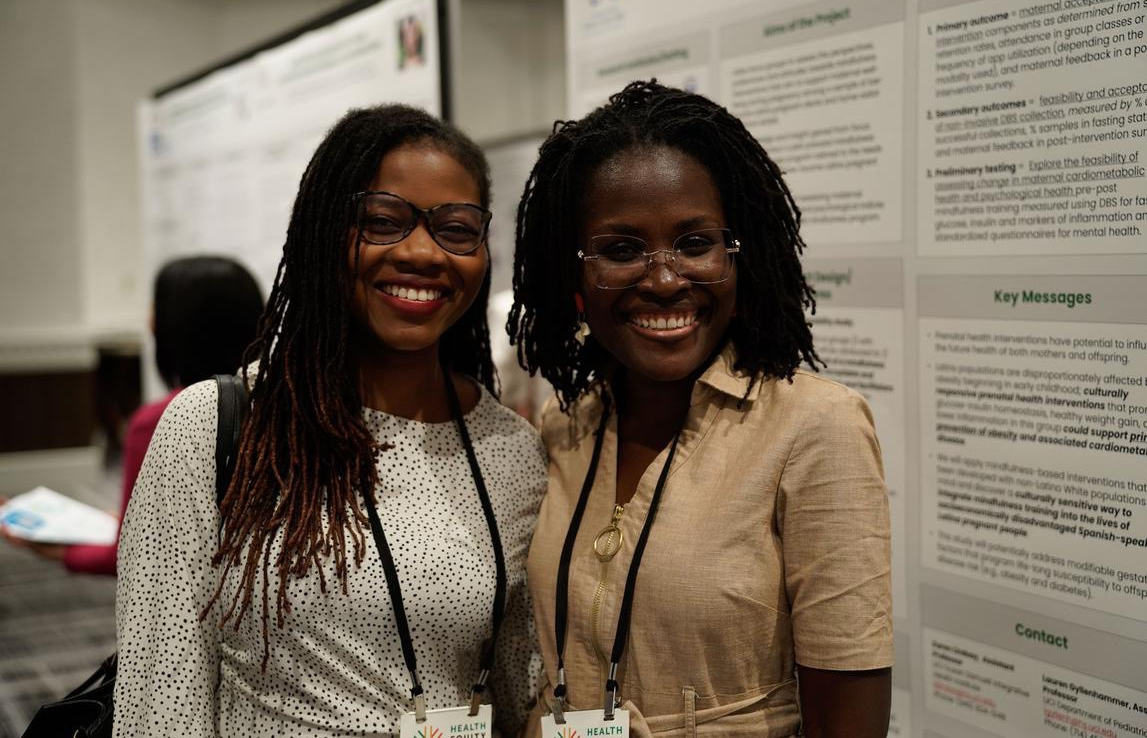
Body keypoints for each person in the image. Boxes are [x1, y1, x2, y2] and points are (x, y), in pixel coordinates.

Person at [114, 105, 546, 736]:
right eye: (383, 221)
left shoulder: (510, 449)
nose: (422, 252)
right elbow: (161, 696)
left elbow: (516, 697)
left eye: (455, 229)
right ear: (322, 232)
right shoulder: (219, 427)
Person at [509, 80, 893, 737]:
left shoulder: (815, 427)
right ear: (573, 275)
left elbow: (849, 721)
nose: (663, 279)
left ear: (741, 256)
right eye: (622, 249)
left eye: (694, 244)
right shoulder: (567, 422)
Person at [0, 256, 263, 575]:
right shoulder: (279, 406)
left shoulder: (160, 420)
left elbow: (132, 554)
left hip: (197, 597)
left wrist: (51, 547)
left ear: (172, 327)